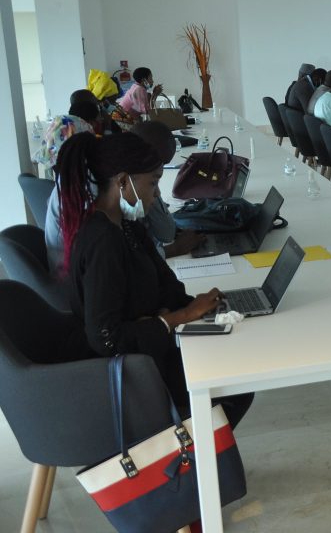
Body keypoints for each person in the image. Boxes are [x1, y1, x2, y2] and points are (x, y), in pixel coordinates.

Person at [56, 132, 252, 422]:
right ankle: (191, 448)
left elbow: (167, 287)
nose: (158, 194)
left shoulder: (127, 227)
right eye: (153, 183)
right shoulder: (102, 241)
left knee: (236, 366)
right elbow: (106, 339)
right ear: (123, 182)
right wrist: (178, 316)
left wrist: (194, 308)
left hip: (148, 353)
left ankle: (200, 448)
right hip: (129, 377)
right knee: (234, 386)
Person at [45, 123, 202, 272]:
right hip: (73, 279)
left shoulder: (112, 182)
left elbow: (162, 234)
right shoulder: (98, 202)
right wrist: (173, 249)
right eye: (153, 178)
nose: (157, 192)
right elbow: (117, 261)